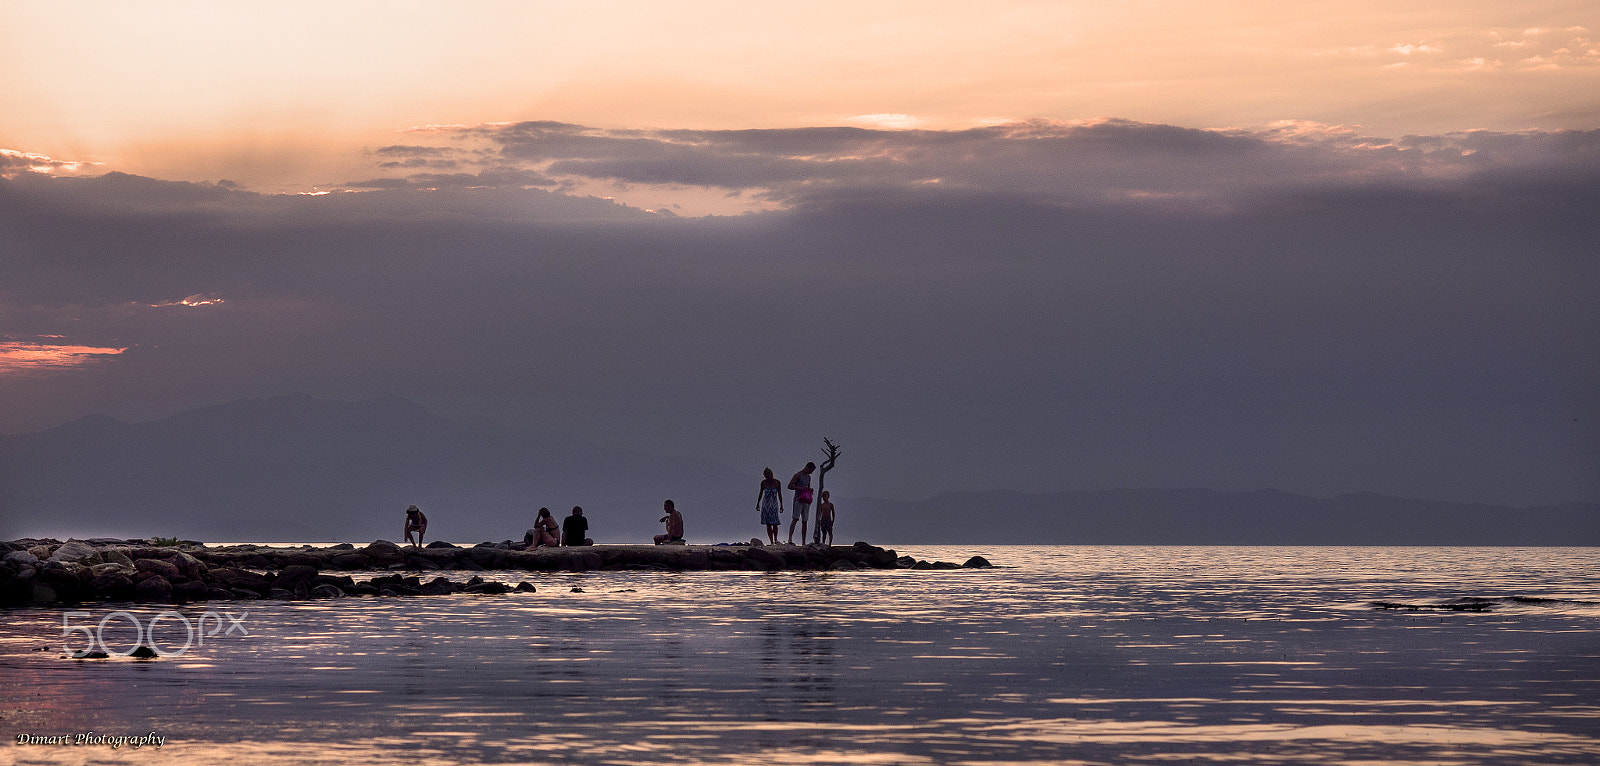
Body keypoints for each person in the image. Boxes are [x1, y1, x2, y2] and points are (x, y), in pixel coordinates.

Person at [786, 462, 816, 544]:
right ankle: (790, 539)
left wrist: (809, 491)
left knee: (805, 521)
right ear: (807, 468)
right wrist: (800, 488)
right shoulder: (798, 475)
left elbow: (808, 487)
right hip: (798, 500)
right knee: (795, 519)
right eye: (811, 470)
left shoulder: (809, 477)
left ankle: (803, 542)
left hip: (806, 501)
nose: (811, 472)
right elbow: (789, 486)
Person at [756, 467, 784, 545]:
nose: (768, 478)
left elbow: (780, 494)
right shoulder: (763, 483)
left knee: (775, 523)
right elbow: (761, 493)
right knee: (768, 523)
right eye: (766, 476)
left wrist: (781, 504)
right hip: (766, 504)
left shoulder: (777, 482)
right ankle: (771, 541)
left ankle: (775, 539)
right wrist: (758, 503)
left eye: (769, 476)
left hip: (774, 504)